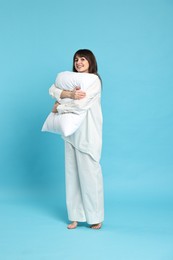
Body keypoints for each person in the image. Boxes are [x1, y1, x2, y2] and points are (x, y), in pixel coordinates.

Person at [52, 49, 104, 229]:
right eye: (76, 59)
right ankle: (75, 216)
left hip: (88, 135)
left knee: (90, 176)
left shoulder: (94, 81)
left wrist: (59, 106)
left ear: (91, 61)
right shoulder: (71, 81)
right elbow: (52, 88)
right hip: (71, 133)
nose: (79, 62)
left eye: (83, 59)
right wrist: (69, 94)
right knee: (72, 176)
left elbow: (81, 105)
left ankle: (95, 217)